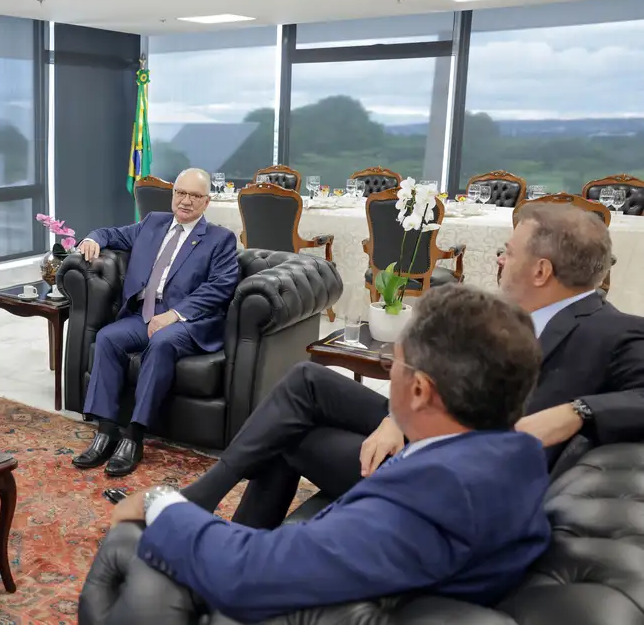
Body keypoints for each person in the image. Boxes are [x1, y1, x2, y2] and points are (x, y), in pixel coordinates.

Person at [91, 285, 551, 623]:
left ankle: (199, 510)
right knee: (286, 429)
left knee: (137, 541)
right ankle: (218, 517)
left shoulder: (430, 500)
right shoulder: (519, 452)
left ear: (418, 389)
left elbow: (248, 573)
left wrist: (159, 503)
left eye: (393, 363)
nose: (389, 373)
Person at [180, 201, 644, 530]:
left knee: (288, 436)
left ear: (541, 271)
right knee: (308, 380)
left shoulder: (614, 331)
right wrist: (394, 417)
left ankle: (211, 523)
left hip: (456, 484)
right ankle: (206, 501)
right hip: (437, 434)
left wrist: (576, 412)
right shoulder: (516, 317)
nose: (500, 259)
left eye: (509, 251)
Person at [71, 168, 240, 476]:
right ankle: (106, 431)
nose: (185, 201)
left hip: (187, 322)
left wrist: (173, 315)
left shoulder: (220, 239)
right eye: (180, 193)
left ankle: (134, 436)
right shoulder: (152, 223)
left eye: (194, 196)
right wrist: (91, 238)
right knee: (108, 338)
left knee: (161, 342)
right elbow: (113, 234)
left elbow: (219, 288)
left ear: (207, 201)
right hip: (142, 315)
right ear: (172, 194)